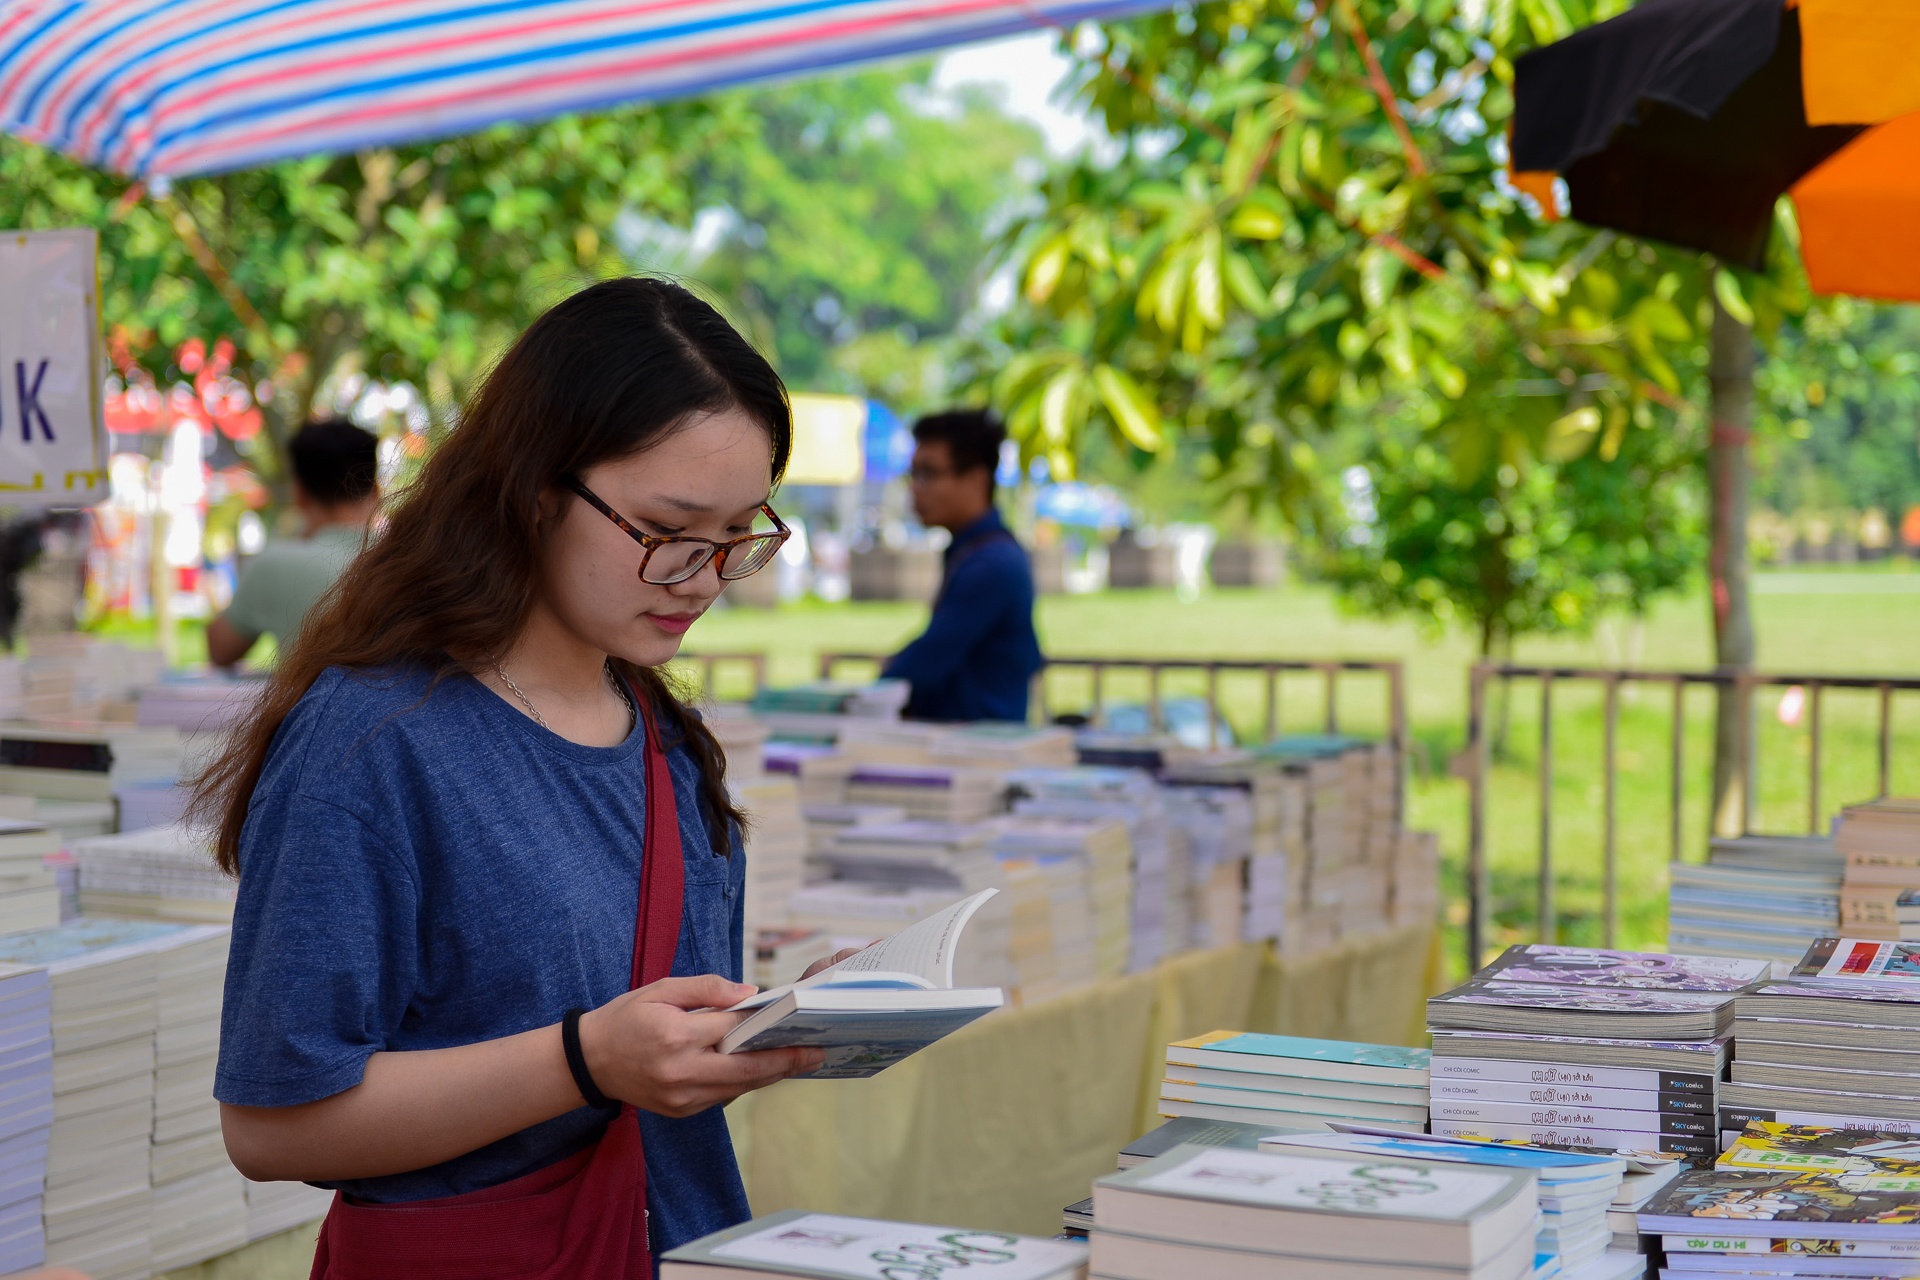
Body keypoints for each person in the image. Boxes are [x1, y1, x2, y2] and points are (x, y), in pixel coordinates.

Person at [196, 279, 824, 1279]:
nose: (702, 578)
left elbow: (654, 1033)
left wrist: (764, 1028)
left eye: (739, 535)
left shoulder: (665, 732)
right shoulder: (375, 744)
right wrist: (584, 1059)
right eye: (669, 531)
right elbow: (272, 1126)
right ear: (535, 490)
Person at [881, 409, 1044, 722]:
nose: (915, 488)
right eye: (912, 474)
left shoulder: (992, 564)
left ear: (976, 480)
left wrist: (868, 696)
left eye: (927, 474)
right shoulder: (978, 551)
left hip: (981, 747)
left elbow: (925, 664)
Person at [206, 418, 381, 668]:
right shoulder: (415, 562)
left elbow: (219, 649)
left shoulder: (277, 565)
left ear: (299, 494)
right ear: (376, 491)